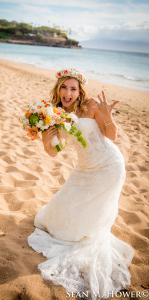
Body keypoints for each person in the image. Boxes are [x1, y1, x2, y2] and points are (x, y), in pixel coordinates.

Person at [28, 68, 134, 299]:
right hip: (84, 168)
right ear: (58, 89)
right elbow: (55, 151)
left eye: (73, 88)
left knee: (86, 226)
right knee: (56, 213)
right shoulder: (54, 114)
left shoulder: (92, 105)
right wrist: (46, 139)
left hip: (108, 166)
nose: (68, 92)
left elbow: (111, 136)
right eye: (64, 88)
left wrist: (108, 117)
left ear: (79, 91)